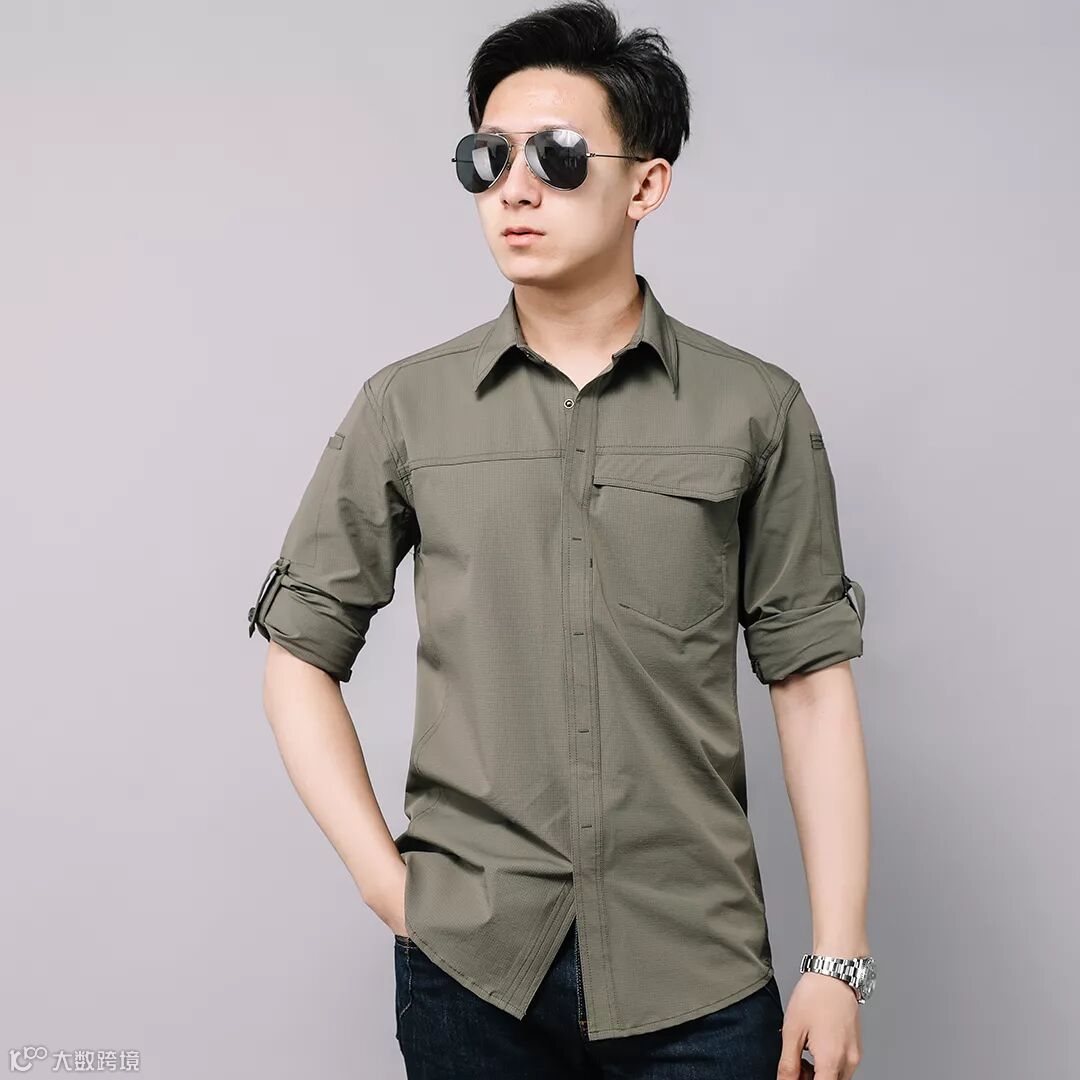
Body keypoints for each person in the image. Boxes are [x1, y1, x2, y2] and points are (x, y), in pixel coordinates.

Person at [248, 1, 874, 1076]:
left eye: (558, 155)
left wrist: (837, 960)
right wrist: (389, 887)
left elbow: (810, 686)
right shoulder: (406, 408)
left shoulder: (755, 409)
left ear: (647, 186)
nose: (515, 188)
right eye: (486, 158)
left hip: (699, 972)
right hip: (473, 976)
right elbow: (298, 655)